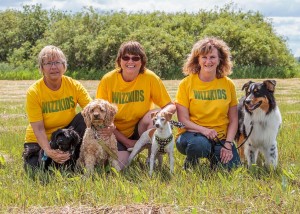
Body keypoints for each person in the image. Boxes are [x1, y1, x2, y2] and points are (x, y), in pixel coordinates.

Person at [96, 41, 176, 169]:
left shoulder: (150, 77)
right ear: (119, 60)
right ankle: (120, 152)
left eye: (135, 58)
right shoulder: (108, 80)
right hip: (114, 131)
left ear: (142, 61)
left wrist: (162, 114)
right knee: (118, 167)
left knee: (154, 115)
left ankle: (152, 159)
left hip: (140, 129)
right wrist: (126, 141)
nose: (130, 61)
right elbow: (101, 116)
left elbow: (170, 105)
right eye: (126, 57)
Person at [23, 45, 92, 172]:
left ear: (64, 66)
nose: (53, 67)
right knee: (37, 173)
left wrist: (108, 127)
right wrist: (48, 151)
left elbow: (92, 109)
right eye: (48, 63)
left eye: (57, 62)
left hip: (65, 136)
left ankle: (75, 152)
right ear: (42, 68)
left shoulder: (74, 85)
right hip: (39, 141)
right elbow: (38, 128)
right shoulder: (34, 91)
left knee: (86, 115)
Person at [175, 37, 241, 170]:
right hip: (192, 135)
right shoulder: (186, 84)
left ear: (220, 60)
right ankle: (191, 164)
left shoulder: (228, 84)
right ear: (197, 60)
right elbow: (183, 119)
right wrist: (204, 130)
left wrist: (228, 144)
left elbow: (234, 120)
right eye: (204, 57)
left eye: (212, 57)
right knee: (199, 145)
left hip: (220, 138)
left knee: (231, 168)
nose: (208, 61)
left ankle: (214, 158)